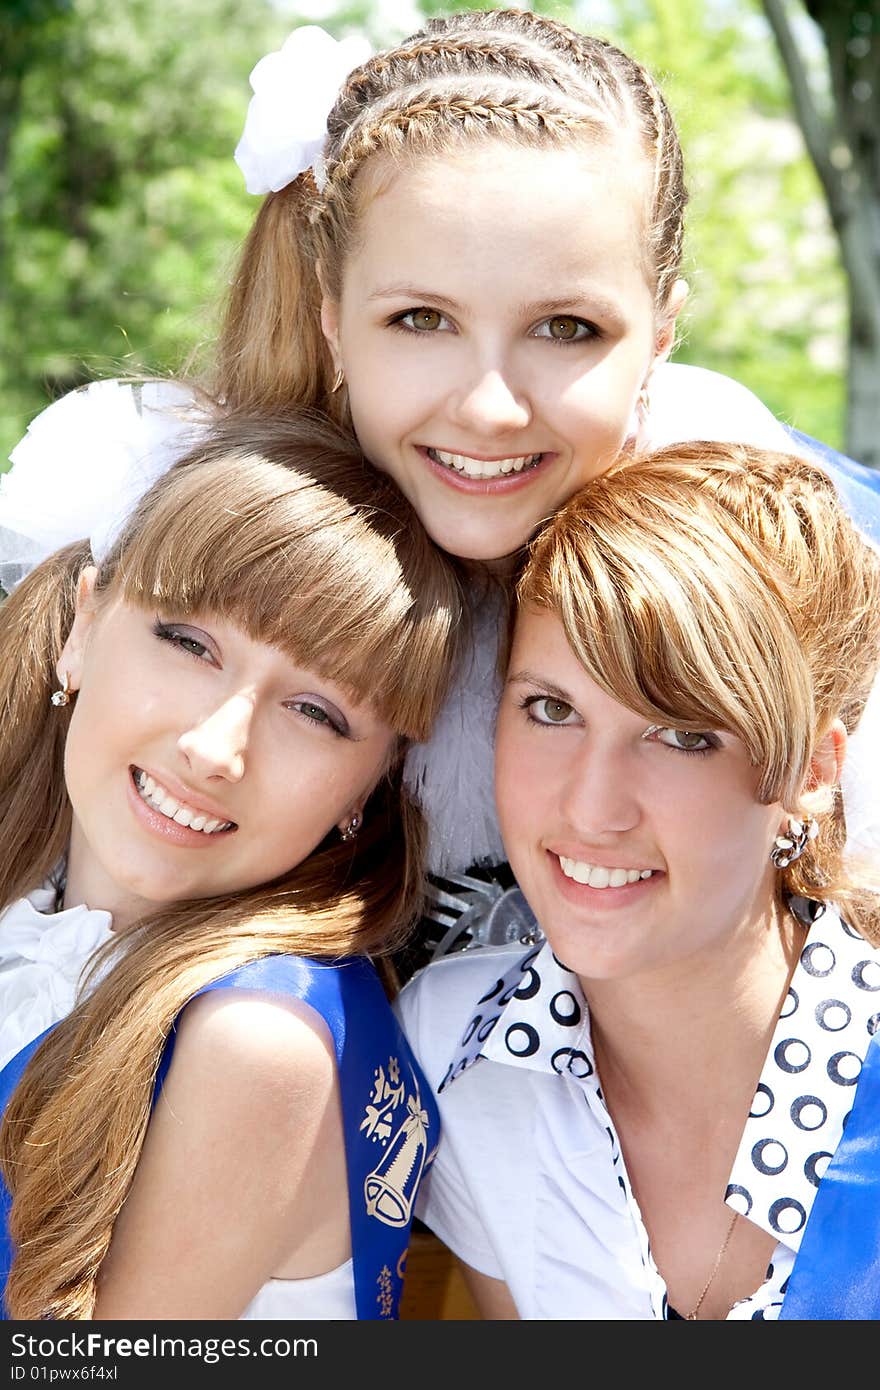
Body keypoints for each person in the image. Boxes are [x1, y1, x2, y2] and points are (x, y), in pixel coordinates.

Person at [2, 9, 879, 949]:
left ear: (661, 334)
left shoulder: (752, 558)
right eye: (422, 320)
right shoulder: (171, 525)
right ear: (332, 314)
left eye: (567, 329)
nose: (490, 408)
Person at [396, 441, 880, 1320]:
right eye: (551, 710)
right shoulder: (456, 1055)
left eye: (681, 734)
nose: (592, 807)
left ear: (812, 770)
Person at [0, 412, 463, 1321]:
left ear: (371, 785)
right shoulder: (44, 923)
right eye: (188, 644)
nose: (217, 748)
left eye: (316, 712)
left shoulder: (254, 1041)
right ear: (83, 628)